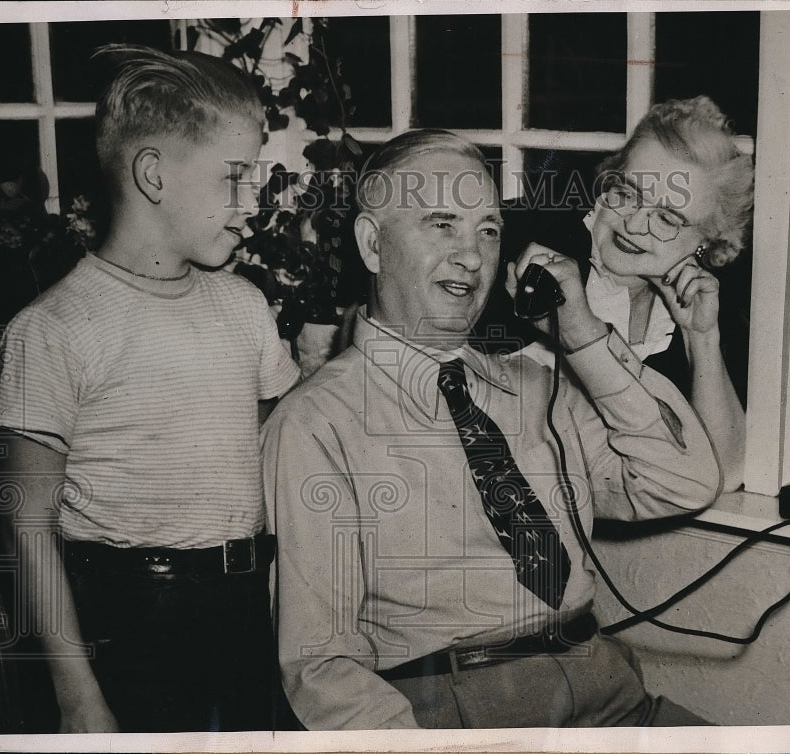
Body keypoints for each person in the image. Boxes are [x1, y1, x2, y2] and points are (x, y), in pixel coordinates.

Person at [261, 129, 722, 729]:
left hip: (607, 690)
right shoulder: (318, 423)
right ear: (373, 245)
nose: (473, 256)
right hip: (455, 707)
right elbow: (321, 667)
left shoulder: (536, 386)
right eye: (442, 225)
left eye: (488, 230)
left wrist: (581, 333)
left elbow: (682, 481)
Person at [0, 44, 301, 732]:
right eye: (235, 177)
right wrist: (77, 695)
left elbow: (280, 450)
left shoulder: (245, 304)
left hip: (250, 609)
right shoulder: (53, 327)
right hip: (130, 627)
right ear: (154, 173)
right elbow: (27, 528)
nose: (252, 202)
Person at [581, 96, 754, 491]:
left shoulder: (700, 307)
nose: (634, 224)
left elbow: (726, 474)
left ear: (709, 241)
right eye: (627, 193)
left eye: (667, 217)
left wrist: (700, 338)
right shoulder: (541, 260)